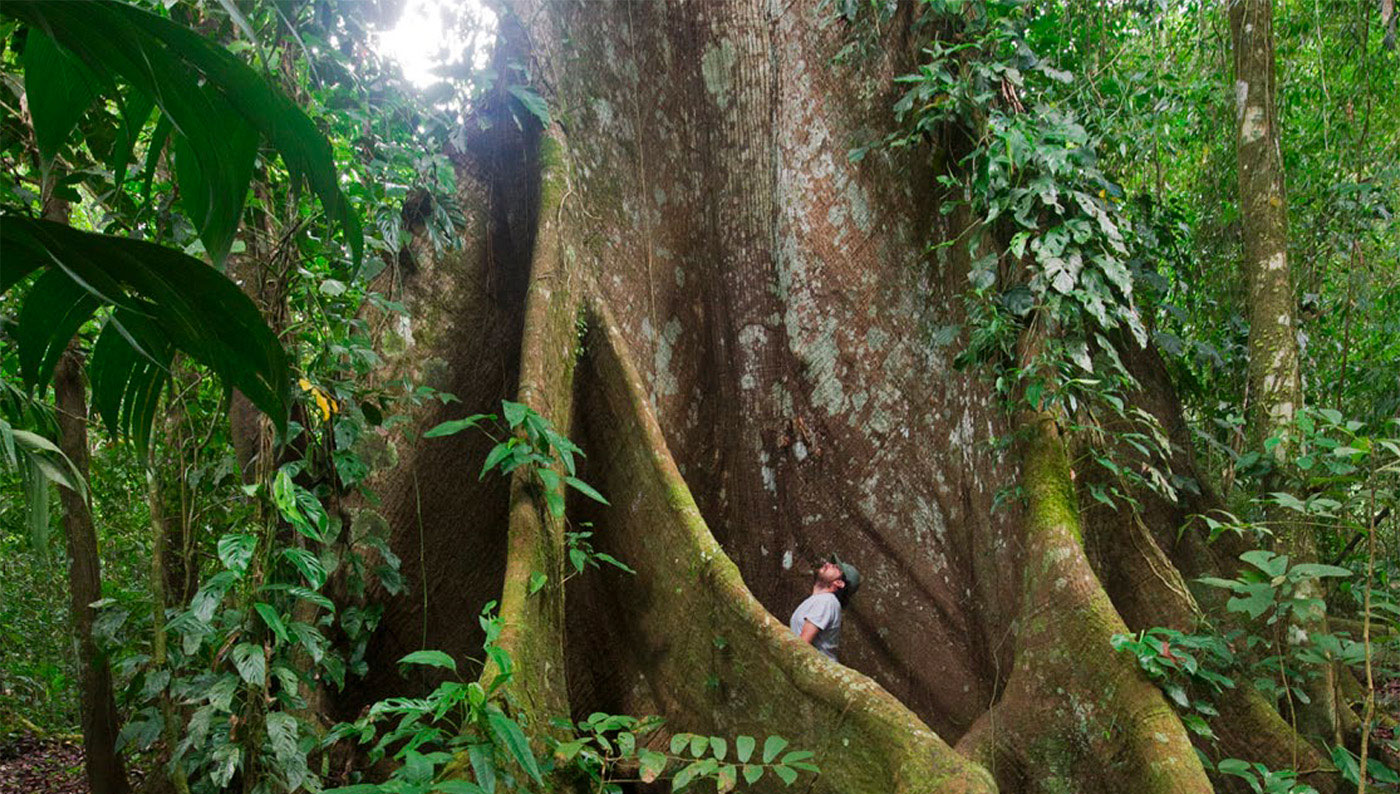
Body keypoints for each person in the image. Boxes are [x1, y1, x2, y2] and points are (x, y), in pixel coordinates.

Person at [788, 554, 860, 661]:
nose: (828, 564)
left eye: (836, 568)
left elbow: (802, 643)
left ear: (839, 583)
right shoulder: (819, 600)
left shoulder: (827, 601)